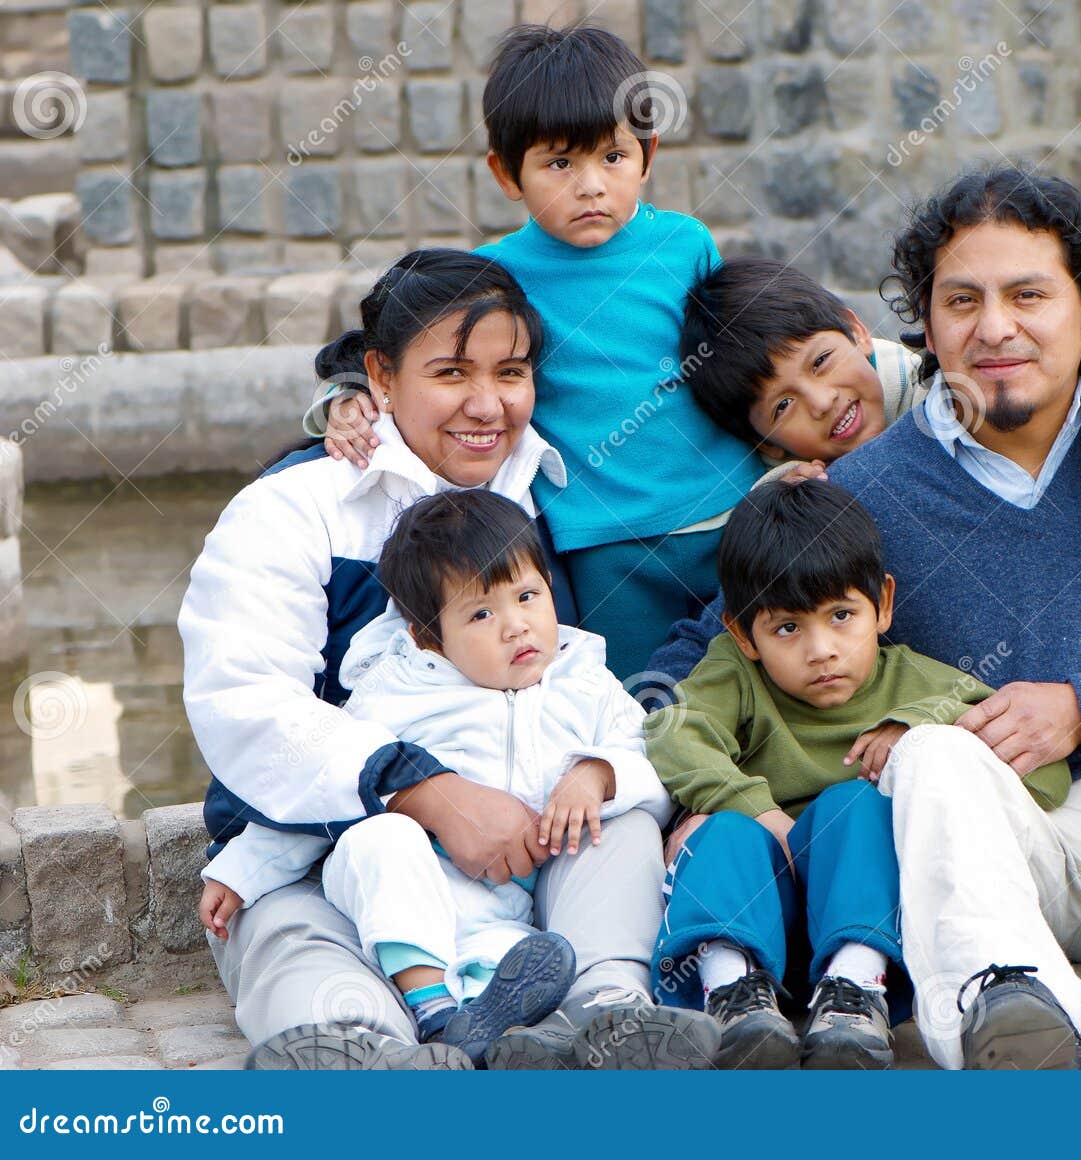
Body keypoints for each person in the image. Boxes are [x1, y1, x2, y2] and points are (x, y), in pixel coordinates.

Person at [653, 167, 1081, 1071]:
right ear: (925, 323)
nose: (994, 328)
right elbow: (737, 631)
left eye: (1028, 294)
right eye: (962, 301)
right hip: (1002, 859)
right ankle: (1007, 999)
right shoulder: (866, 490)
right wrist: (655, 770)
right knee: (932, 752)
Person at [180, 249, 694, 1070]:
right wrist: (424, 790)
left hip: (531, 851)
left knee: (620, 826)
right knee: (307, 956)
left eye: (512, 372)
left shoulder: (542, 493)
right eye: (451, 373)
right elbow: (241, 698)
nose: (487, 405)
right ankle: (376, 1055)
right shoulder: (293, 509)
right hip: (328, 852)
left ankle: (609, 1015)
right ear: (379, 376)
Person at [198, 490, 719, 1068]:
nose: (516, 626)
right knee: (379, 835)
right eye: (480, 613)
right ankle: (430, 1014)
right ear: (428, 635)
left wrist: (599, 774)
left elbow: (651, 763)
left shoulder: (585, 685)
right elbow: (327, 789)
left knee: (608, 846)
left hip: (509, 905)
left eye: (527, 596)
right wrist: (244, 868)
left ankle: (543, 1025)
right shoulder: (398, 695)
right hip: (403, 891)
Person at [307, 23, 763, 679]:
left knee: (754, 683)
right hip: (602, 544)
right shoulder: (496, 276)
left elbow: (746, 352)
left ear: (648, 154)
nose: (590, 186)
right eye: (559, 163)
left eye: (613, 157)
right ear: (505, 173)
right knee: (640, 704)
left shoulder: (686, 245)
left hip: (732, 516)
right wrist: (347, 391)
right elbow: (393, 335)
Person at [647, 479, 1081, 1069]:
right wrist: (758, 811)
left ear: (883, 604)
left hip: (869, 918)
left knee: (854, 806)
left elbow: (1044, 776)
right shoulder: (736, 675)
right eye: (787, 628)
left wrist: (917, 728)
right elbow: (671, 733)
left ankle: (854, 997)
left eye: (841, 615)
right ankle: (735, 1001)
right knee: (718, 830)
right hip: (757, 905)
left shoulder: (921, 683)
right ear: (742, 633)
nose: (821, 649)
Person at [677, 255, 1081, 559]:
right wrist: (785, 504)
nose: (823, 400)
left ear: (858, 332)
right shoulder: (809, 479)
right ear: (766, 442)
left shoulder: (946, 378)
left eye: (821, 362)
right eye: (783, 405)